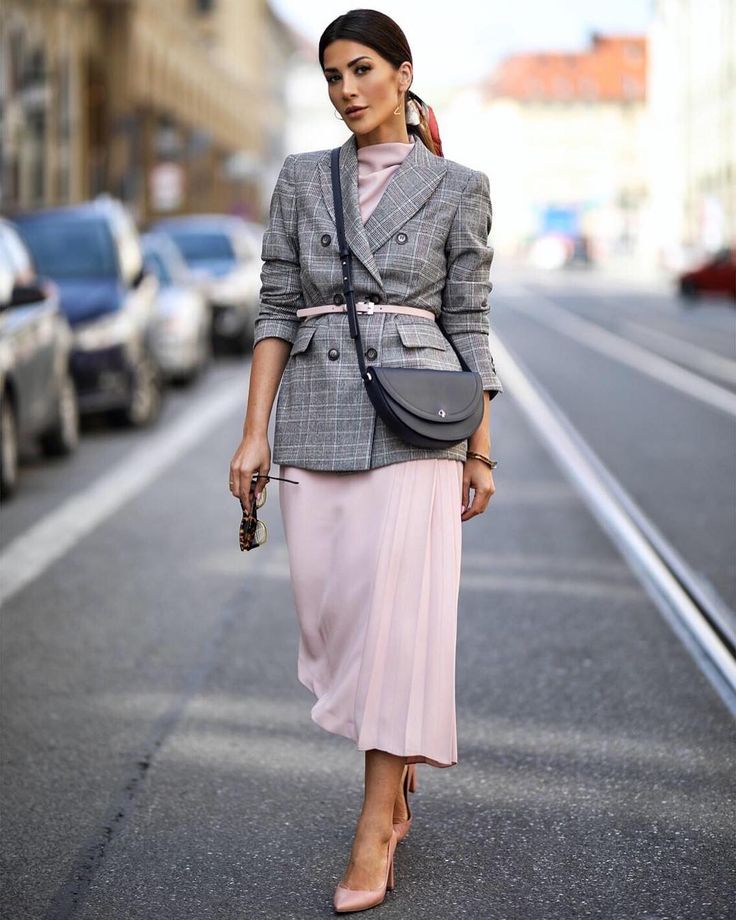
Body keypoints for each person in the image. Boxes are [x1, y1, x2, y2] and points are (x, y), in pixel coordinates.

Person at [229, 9, 503, 914]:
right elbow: (276, 306)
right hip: (315, 414)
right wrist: (254, 432)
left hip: (418, 425)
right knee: (336, 618)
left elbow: (469, 321)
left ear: (402, 73)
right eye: (332, 76)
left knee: (396, 630)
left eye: (361, 70)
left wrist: (481, 449)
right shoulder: (303, 178)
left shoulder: (458, 186)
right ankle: (397, 763)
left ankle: (374, 828)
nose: (346, 90)